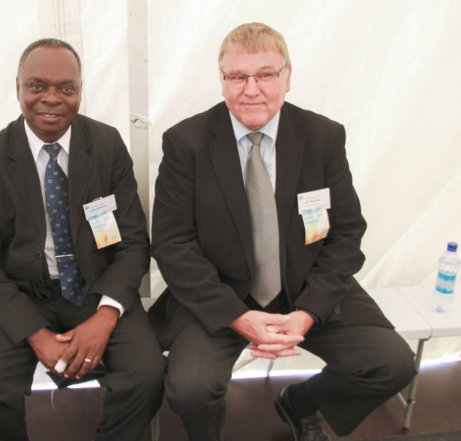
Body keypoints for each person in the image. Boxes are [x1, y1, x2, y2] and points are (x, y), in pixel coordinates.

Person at [148, 23, 416, 441]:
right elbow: (172, 244)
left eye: (266, 75)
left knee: (392, 364)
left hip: (304, 286)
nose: (251, 90)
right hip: (220, 294)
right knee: (191, 389)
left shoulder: (322, 137)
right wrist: (237, 316)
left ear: (287, 77)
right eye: (238, 77)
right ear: (222, 80)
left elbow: (346, 233)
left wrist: (308, 312)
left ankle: (301, 403)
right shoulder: (187, 143)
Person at [0, 38, 164, 441]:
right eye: (37, 86)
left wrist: (105, 316)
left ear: (80, 90)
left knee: (147, 376)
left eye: (66, 87)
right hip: (20, 294)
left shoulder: (106, 145)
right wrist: (35, 333)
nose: (51, 98)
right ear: (18, 87)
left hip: (95, 288)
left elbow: (133, 242)